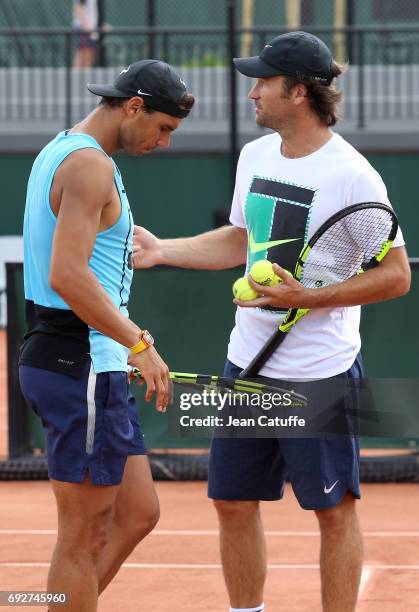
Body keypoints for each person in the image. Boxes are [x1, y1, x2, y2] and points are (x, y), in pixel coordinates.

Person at [132, 32, 411, 612]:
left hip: (322, 374)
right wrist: (164, 250)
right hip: (246, 366)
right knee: (232, 502)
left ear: (300, 93)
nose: (252, 92)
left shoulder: (353, 176)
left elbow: (396, 276)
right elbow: (241, 239)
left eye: (263, 81)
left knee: (333, 512)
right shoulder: (254, 156)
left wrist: (312, 298)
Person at [19, 60, 194, 611]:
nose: (164, 143)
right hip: (80, 365)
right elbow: (67, 275)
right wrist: (140, 345)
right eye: (164, 128)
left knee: (139, 512)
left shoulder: (64, 149)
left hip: (89, 362)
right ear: (135, 108)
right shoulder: (88, 167)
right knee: (83, 537)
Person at [73, 0, 99, 68]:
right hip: (84, 29)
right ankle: (75, 77)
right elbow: (78, 7)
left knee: (88, 58)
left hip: (90, 28)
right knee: (82, 57)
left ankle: (83, 77)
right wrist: (87, 27)